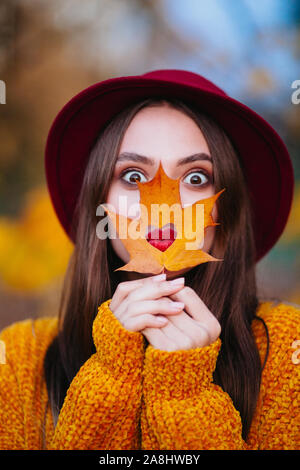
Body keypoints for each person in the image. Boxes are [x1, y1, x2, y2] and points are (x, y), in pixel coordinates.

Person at [0, 69, 299, 451]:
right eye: (133, 175)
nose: (164, 209)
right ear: (99, 203)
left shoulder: (288, 348)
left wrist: (184, 396)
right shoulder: (21, 357)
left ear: (229, 206)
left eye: (194, 178)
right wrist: (112, 373)